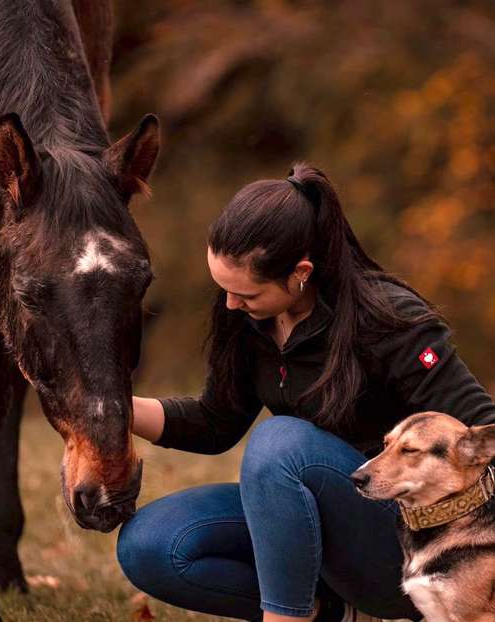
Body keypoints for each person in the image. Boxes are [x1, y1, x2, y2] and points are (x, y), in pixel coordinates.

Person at [116, 163, 495, 622]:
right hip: (301, 520)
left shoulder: (389, 319)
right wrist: (107, 406)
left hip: (399, 536)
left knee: (281, 444)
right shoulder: (247, 321)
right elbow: (215, 421)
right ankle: (324, 610)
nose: (231, 305)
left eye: (247, 295)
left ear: (300, 273)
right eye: (225, 291)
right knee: (150, 545)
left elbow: (480, 424)